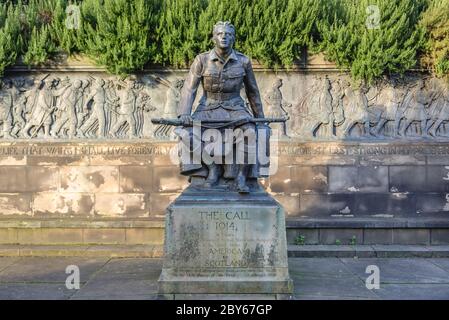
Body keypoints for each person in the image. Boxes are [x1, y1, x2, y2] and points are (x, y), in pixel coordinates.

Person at [177, 21, 267, 193]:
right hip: (208, 109)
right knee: (186, 133)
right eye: (220, 33)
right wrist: (184, 114)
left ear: (233, 38)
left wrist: (260, 118)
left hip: (235, 108)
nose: (224, 36)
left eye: (228, 34)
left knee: (250, 133)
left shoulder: (243, 61)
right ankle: (212, 169)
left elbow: (252, 91)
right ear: (213, 38)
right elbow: (189, 88)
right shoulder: (202, 60)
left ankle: (241, 177)